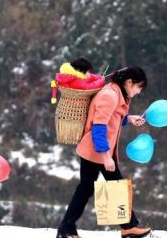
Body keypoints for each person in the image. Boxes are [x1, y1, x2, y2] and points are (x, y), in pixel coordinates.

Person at [57, 66, 151, 238]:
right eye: (139, 87)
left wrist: (128, 118)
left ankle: (66, 228)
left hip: (94, 150)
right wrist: (106, 157)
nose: (138, 92)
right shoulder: (110, 95)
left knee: (87, 188)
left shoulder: (115, 92)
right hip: (97, 150)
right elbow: (98, 129)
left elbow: (111, 118)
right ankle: (128, 226)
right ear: (129, 82)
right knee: (114, 185)